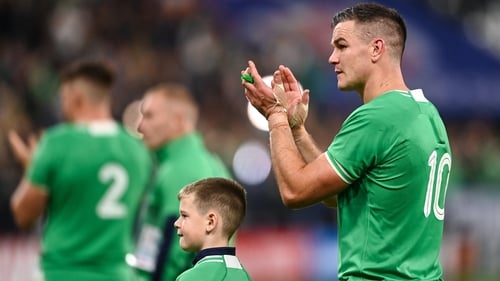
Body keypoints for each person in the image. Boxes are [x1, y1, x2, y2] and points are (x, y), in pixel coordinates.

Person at [241, 2, 452, 281]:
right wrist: (297, 130)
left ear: (377, 48)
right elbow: (334, 194)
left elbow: (295, 191)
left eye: (341, 46)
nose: (331, 58)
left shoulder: (377, 117)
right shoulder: (427, 113)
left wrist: (274, 115)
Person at [8, 59, 153, 281]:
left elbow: (23, 215)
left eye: (63, 98)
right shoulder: (137, 151)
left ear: (76, 99)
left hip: (63, 272)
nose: (62, 105)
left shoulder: (56, 143)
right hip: (117, 274)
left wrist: (32, 170)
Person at [132, 82, 232, 281]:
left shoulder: (180, 170)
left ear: (177, 121)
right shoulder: (211, 163)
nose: (141, 126)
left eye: (149, 116)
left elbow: (174, 251)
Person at [173, 177, 251, 281]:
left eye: (184, 215)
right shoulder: (244, 276)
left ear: (210, 222)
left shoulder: (193, 277)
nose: (176, 223)